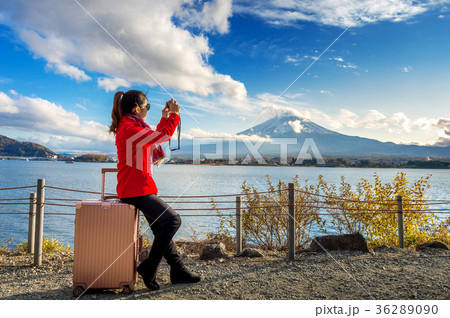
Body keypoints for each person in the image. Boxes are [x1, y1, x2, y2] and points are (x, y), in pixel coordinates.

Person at [109, 89, 201, 291]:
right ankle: (150, 267)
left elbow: (153, 137)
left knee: (161, 228)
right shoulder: (130, 129)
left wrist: (164, 117)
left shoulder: (131, 126)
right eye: (146, 107)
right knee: (173, 220)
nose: (147, 110)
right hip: (136, 189)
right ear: (136, 108)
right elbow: (162, 136)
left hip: (137, 187)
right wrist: (175, 115)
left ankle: (178, 270)